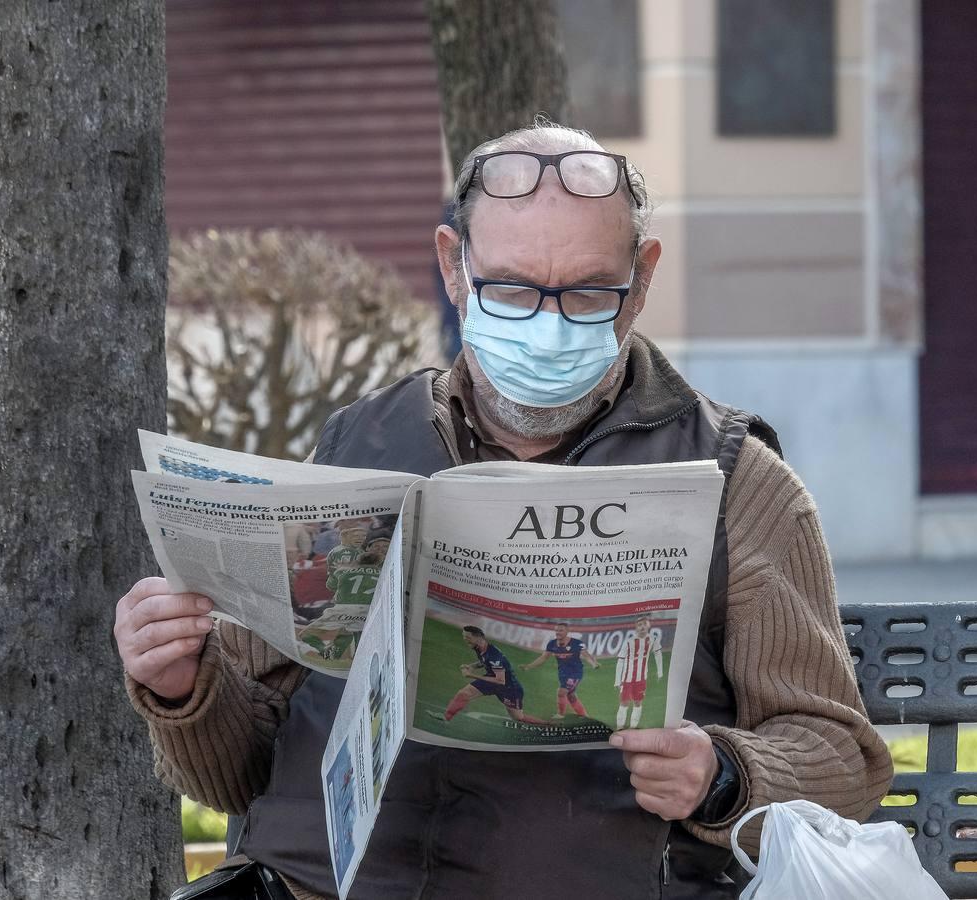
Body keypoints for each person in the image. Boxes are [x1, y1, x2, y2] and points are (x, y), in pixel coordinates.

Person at [115, 121, 893, 898]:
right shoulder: (358, 441)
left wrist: (721, 776)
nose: (549, 326)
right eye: (513, 289)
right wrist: (186, 687)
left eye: (589, 292)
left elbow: (842, 758)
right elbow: (238, 771)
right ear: (455, 267)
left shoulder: (737, 481)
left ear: (643, 277)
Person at [438, 625, 549, 727]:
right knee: (463, 694)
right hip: (492, 680)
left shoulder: (493, 655)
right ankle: (446, 718)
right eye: (464, 636)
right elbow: (483, 661)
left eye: (467, 637)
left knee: (518, 717)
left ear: (478, 637)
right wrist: (471, 666)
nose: (465, 639)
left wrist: (472, 675)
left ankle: (547, 724)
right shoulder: (479, 647)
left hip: (509, 688)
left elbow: (500, 680)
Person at [522, 621, 600, 719]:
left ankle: (560, 714)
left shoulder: (577, 643)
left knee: (562, 692)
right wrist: (529, 666)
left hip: (575, 673)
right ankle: (584, 716)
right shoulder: (552, 644)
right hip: (562, 674)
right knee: (571, 696)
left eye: (561, 630)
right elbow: (543, 658)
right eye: (557, 630)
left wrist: (593, 664)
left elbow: (586, 655)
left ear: (567, 631)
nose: (558, 632)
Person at [614, 615, 664, 729]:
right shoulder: (629, 642)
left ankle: (633, 728)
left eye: (644, 624)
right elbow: (620, 661)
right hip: (627, 679)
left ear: (649, 625)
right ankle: (619, 728)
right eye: (639, 625)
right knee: (624, 703)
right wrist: (617, 681)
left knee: (638, 703)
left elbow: (658, 654)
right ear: (636, 627)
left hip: (641, 679)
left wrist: (660, 672)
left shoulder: (653, 639)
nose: (642, 627)